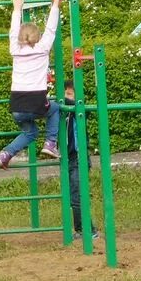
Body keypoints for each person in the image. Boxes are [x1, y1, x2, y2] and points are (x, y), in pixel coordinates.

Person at [0, 0, 65, 169]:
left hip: (16, 106)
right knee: (55, 108)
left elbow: (12, 32)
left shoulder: (14, 49)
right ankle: (50, 143)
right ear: (38, 37)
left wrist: (17, 8)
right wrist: (55, 3)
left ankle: (5, 154)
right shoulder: (43, 48)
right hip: (36, 102)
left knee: (30, 132)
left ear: (19, 37)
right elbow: (51, 28)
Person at [62, 79, 98, 238]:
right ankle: (81, 230)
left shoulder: (79, 111)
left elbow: (80, 108)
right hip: (68, 158)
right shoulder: (63, 113)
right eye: (63, 93)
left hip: (79, 159)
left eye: (69, 94)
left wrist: (64, 101)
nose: (65, 96)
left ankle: (88, 231)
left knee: (77, 196)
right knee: (73, 196)